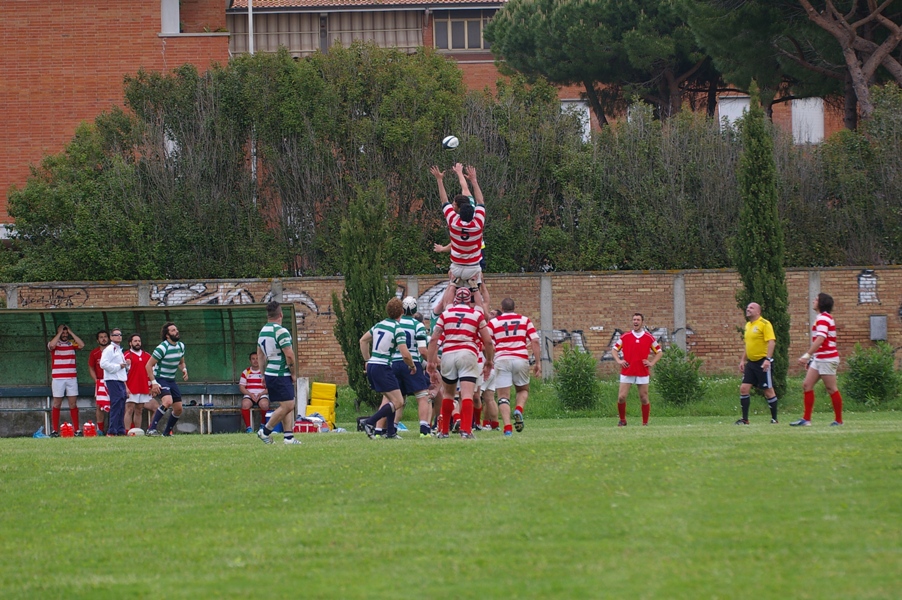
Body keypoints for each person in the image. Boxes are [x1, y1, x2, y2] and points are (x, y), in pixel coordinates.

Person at [426, 287, 494, 439]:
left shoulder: (445, 314)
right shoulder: (476, 314)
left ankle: (443, 431)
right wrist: (489, 361)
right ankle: (466, 430)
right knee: (467, 394)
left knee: (448, 394)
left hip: (448, 354)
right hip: (467, 354)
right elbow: (488, 341)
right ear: (469, 300)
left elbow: (434, 339)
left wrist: (430, 362)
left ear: (455, 299)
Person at [430, 163, 489, 309]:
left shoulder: (453, 222)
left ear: (459, 212)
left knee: (452, 285)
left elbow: (444, 201)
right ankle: (479, 313)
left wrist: (439, 180)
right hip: (473, 266)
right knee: (476, 291)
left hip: (457, 266)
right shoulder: (478, 223)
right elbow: (480, 201)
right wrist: (474, 180)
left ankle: (448, 310)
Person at [360, 298, 418, 439]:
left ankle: (390, 432)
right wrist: (412, 365)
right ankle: (369, 422)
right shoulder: (397, 329)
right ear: (402, 312)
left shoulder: (379, 325)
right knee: (399, 401)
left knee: (391, 399)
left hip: (373, 365)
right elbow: (405, 354)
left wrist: (367, 360)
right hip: (382, 366)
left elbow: (363, 340)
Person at [487, 298, 540, 436]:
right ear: (514, 307)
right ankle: (518, 409)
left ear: (502, 308)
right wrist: (538, 363)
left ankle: (508, 428)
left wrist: (489, 359)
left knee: (503, 397)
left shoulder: (494, 322)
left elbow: (488, 342)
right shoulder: (524, 320)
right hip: (520, 358)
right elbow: (535, 340)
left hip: (502, 359)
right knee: (523, 389)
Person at [791, 293, 844, 427]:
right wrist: (812, 359)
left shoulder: (823, 318)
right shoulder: (821, 318)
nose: (813, 301)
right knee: (807, 385)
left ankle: (839, 421)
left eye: (816, 299)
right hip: (820, 358)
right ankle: (806, 419)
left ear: (822, 303)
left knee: (831, 388)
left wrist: (807, 355)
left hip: (828, 358)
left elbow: (821, 339)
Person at [256, 301, 300, 445]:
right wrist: (293, 373)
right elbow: (289, 355)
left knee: (285, 403)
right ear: (281, 314)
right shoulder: (281, 331)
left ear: (268, 315)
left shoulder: (263, 331)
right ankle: (265, 431)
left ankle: (288, 437)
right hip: (280, 373)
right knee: (289, 405)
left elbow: (260, 355)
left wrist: (262, 375)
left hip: (270, 373)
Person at [389, 297, 430, 438]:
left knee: (398, 398)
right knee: (422, 396)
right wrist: (431, 363)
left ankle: (391, 428)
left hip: (394, 362)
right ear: (415, 310)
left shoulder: (394, 324)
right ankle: (424, 429)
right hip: (411, 362)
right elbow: (423, 350)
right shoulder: (417, 325)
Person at [612, 313, 663, 427]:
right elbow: (614, 350)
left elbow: (659, 352)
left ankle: (645, 423)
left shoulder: (649, 337)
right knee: (621, 397)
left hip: (642, 371)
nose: (635, 321)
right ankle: (622, 420)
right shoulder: (625, 336)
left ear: (642, 322)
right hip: (627, 371)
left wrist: (651, 363)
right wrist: (619, 360)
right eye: (634, 319)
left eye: (638, 320)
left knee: (644, 398)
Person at [737, 302, 779, 425]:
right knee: (744, 389)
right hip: (751, 363)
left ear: (758, 312)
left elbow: (771, 342)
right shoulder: (748, 325)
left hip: (762, 362)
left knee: (768, 391)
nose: (748, 309)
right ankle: (745, 419)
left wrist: (767, 359)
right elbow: (748, 345)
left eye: (751, 307)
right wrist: (743, 360)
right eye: (747, 307)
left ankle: (774, 419)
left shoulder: (764, 324)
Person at [146, 322, 189, 437]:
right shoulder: (162, 348)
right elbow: (148, 365)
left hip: (171, 380)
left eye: (176, 329)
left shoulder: (180, 346)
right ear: (167, 335)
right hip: (160, 378)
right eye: (173, 330)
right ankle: (151, 429)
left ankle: (166, 433)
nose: (176, 331)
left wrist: (184, 370)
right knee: (167, 401)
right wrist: (154, 383)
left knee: (178, 409)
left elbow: (181, 362)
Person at [47, 324, 85, 437]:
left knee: (73, 403)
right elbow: (51, 345)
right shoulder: (54, 343)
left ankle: (76, 430)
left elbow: (82, 345)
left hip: (71, 378)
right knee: (57, 403)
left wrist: (71, 332)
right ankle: (55, 430)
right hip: (58, 378)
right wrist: (59, 332)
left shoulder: (71, 343)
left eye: (66, 333)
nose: (64, 335)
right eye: (62, 333)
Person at [99, 328, 129, 436]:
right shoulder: (109, 349)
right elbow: (103, 364)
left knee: (121, 404)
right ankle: (111, 430)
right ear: (111, 337)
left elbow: (122, 368)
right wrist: (118, 366)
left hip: (120, 379)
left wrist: (126, 365)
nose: (119, 336)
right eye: (116, 335)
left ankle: (120, 430)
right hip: (112, 379)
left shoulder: (119, 350)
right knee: (116, 404)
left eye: (120, 334)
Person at [123, 333, 152, 430]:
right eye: (135, 341)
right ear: (130, 343)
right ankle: (127, 431)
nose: (137, 343)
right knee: (129, 409)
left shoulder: (147, 355)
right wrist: (125, 387)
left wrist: (151, 386)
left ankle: (137, 431)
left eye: (139, 341)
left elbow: (152, 371)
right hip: (131, 386)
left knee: (139, 410)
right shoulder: (126, 355)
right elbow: (121, 373)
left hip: (143, 386)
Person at [239, 351, 269, 434]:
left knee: (265, 405)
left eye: (257, 359)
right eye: (253, 359)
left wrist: (261, 394)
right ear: (250, 361)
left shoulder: (265, 372)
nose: (255, 361)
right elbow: (241, 387)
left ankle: (263, 425)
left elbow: (270, 387)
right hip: (249, 395)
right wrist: (250, 394)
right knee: (245, 404)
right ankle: (248, 428)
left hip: (262, 394)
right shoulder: (246, 372)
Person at [88, 330, 110, 435]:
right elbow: (91, 368)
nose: (103, 339)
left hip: (112, 381)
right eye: (101, 337)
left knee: (115, 404)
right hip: (100, 381)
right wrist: (96, 381)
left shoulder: (113, 351)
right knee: (99, 406)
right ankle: (100, 429)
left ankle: (113, 428)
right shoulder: (94, 353)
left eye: (105, 337)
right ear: (98, 340)